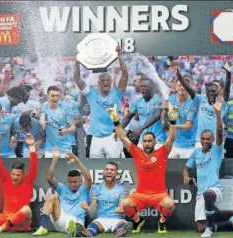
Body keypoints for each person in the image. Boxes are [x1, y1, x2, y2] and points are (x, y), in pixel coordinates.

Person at [107, 104, 177, 234]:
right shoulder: (137, 152)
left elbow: (171, 138)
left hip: (159, 194)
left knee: (169, 204)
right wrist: (116, 121)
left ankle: (161, 222)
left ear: (155, 142)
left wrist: (173, 122)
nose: (147, 143)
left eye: (150, 141)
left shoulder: (162, 153)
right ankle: (137, 220)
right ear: (142, 142)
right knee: (125, 204)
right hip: (141, 194)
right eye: (145, 141)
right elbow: (123, 137)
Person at [182, 96, 233, 237]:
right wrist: (186, 176)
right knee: (199, 228)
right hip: (200, 193)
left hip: (215, 189)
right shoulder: (196, 153)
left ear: (212, 140)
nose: (205, 141)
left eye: (208, 139)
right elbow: (186, 168)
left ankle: (210, 228)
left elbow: (220, 133)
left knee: (208, 195)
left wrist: (218, 113)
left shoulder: (216, 151)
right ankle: (230, 223)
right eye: (203, 139)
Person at [73, 45, 128, 158]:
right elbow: (77, 79)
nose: (105, 82)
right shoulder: (92, 93)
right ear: (98, 83)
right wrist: (77, 61)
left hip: (112, 136)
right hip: (95, 137)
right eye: (102, 80)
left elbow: (125, 75)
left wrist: (120, 57)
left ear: (111, 81)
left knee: (115, 166)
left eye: (108, 80)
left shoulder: (116, 93)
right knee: (95, 167)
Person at [33, 148, 91, 236]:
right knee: (52, 197)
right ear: (67, 181)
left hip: (77, 220)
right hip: (60, 218)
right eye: (70, 182)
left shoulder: (84, 189)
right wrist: (54, 159)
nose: (73, 184)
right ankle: (43, 227)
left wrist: (77, 161)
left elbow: (88, 178)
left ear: (80, 181)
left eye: (75, 182)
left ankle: (75, 232)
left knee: (75, 225)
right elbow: (49, 178)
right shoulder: (62, 188)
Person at [174, 61, 230, 149]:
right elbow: (188, 88)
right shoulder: (201, 99)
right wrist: (178, 73)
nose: (212, 91)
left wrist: (228, 73)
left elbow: (227, 88)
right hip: (200, 142)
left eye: (215, 88)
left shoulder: (222, 102)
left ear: (219, 91)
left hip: (216, 142)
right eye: (210, 89)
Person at [76, 162, 133, 237]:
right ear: (103, 172)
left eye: (112, 170)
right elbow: (92, 211)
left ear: (116, 174)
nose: (109, 171)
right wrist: (87, 208)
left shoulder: (122, 189)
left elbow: (121, 205)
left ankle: (121, 233)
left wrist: (121, 209)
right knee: (93, 225)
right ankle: (87, 234)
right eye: (107, 169)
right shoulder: (96, 188)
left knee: (122, 225)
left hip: (118, 219)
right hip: (102, 219)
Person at [121, 77, 166, 148]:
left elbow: (156, 116)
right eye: (141, 86)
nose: (142, 88)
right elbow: (128, 117)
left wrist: (141, 129)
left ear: (151, 88)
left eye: (145, 86)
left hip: (157, 140)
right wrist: (119, 129)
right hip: (143, 140)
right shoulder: (138, 102)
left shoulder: (159, 99)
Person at [165, 75, 197, 159]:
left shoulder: (193, 102)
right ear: (175, 87)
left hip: (189, 145)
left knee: (188, 171)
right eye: (179, 85)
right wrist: (164, 111)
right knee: (169, 170)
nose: (181, 88)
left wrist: (172, 126)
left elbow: (188, 126)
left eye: (184, 85)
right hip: (173, 144)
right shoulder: (171, 100)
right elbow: (169, 118)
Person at [39, 86, 76, 158]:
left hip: (65, 148)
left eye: (57, 96)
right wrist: (42, 122)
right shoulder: (44, 105)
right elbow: (42, 118)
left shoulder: (66, 108)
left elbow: (73, 127)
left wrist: (66, 130)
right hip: (50, 149)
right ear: (47, 96)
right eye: (53, 95)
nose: (55, 98)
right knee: (50, 169)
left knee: (64, 169)